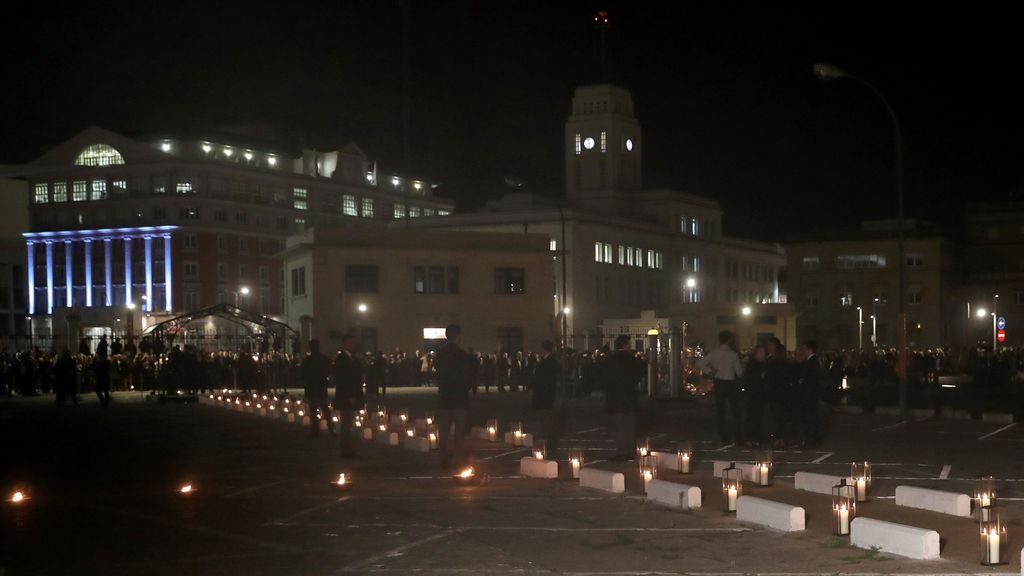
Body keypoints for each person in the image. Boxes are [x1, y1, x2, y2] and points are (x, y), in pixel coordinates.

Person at [435, 324, 475, 469]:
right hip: (459, 398)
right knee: (459, 431)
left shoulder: (440, 354)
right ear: (458, 336)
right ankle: (458, 457)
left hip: (444, 398)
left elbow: (438, 373)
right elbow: (468, 376)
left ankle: (443, 458)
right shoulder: (462, 355)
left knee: (444, 430)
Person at [601, 335, 645, 461]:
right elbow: (641, 371)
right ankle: (630, 451)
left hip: (615, 397)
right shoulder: (632, 360)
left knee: (620, 427)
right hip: (629, 396)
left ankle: (622, 451)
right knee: (630, 426)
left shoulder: (611, 360)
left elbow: (604, 376)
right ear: (625, 345)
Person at [698, 330, 744, 447]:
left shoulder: (714, 353)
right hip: (730, 383)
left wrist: (710, 371)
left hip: (718, 382)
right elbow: (739, 372)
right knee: (735, 411)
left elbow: (700, 363)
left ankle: (724, 437)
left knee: (721, 412)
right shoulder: (733, 354)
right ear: (729, 340)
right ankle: (738, 437)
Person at [333, 334, 364, 458]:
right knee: (346, 424)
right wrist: (351, 395)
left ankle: (349, 449)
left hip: (351, 395)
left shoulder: (352, 358)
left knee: (349, 424)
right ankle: (346, 450)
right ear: (345, 344)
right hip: (346, 397)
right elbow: (344, 379)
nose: (354, 345)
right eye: (351, 343)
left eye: (355, 343)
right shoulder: (342, 358)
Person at [530, 340, 563, 453]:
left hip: (546, 394)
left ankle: (547, 441)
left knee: (547, 419)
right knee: (544, 419)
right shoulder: (547, 361)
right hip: (544, 394)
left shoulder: (550, 362)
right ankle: (545, 441)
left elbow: (546, 378)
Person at [301, 339, 332, 437]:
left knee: (314, 410)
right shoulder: (324, 359)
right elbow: (329, 371)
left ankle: (316, 430)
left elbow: (304, 374)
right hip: (321, 386)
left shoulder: (307, 360)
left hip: (312, 387)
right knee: (325, 409)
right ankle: (331, 428)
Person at [795, 340, 823, 448]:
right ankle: (811, 440)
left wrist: (801, 383)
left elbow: (808, 380)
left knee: (809, 418)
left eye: (805, 349)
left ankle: (810, 440)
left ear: (809, 349)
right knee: (810, 417)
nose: (803, 351)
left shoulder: (811, 362)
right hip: (811, 395)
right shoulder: (813, 361)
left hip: (808, 395)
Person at [744, 345, 769, 447]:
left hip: (761, 394)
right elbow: (749, 379)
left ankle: (757, 438)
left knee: (759, 417)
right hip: (753, 394)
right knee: (752, 417)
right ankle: (750, 438)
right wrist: (760, 377)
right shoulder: (752, 364)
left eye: (763, 352)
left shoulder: (764, 364)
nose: (762, 354)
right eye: (760, 352)